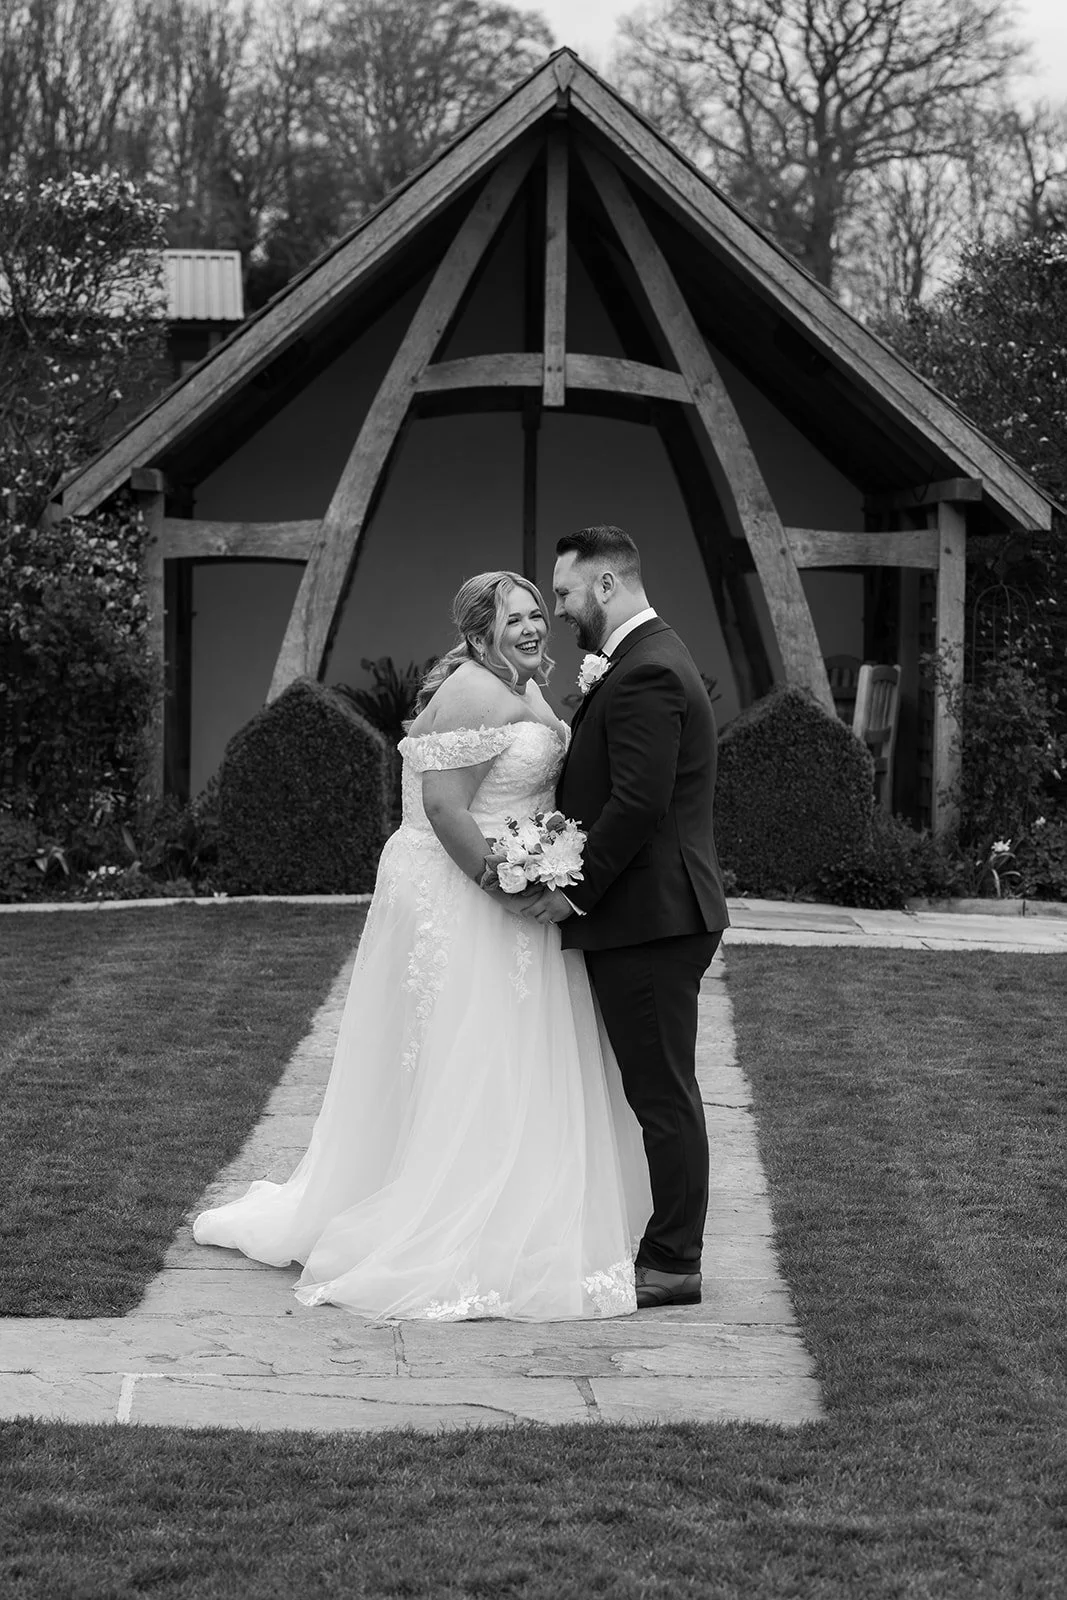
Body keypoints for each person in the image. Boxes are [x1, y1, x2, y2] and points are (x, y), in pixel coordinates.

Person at [193, 570, 651, 1321]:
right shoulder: (475, 691)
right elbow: (443, 808)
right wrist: (505, 886)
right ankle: (457, 1218)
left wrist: (541, 858)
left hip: (510, 871)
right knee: (471, 1049)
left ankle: (524, 1206)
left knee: (512, 1049)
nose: (533, 628)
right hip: (464, 891)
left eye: (538, 613)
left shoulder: (520, 682)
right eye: (514, 619)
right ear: (478, 633)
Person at [527, 525, 729, 1310]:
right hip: (654, 912)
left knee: (662, 1093)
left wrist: (572, 890)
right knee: (658, 1088)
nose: (560, 607)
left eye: (568, 591)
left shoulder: (646, 671)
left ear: (607, 585)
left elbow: (638, 802)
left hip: (651, 915)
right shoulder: (646, 659)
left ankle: (673, 1261)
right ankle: (666, 1247)